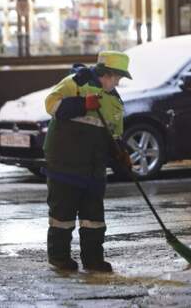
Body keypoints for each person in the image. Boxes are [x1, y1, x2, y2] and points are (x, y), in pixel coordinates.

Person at [43, 51, 133, 272]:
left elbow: (114, 135)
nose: (118, 83)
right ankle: (59, 258)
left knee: (93, 218)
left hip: (94, 168)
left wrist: (121, 154)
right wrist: (82, 104)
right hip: (65, 163)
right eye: (118, 77)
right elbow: (51, 104)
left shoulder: (114, 101)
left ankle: (93, 260)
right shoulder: (76, 82)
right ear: (107, 73)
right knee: (62, 215)